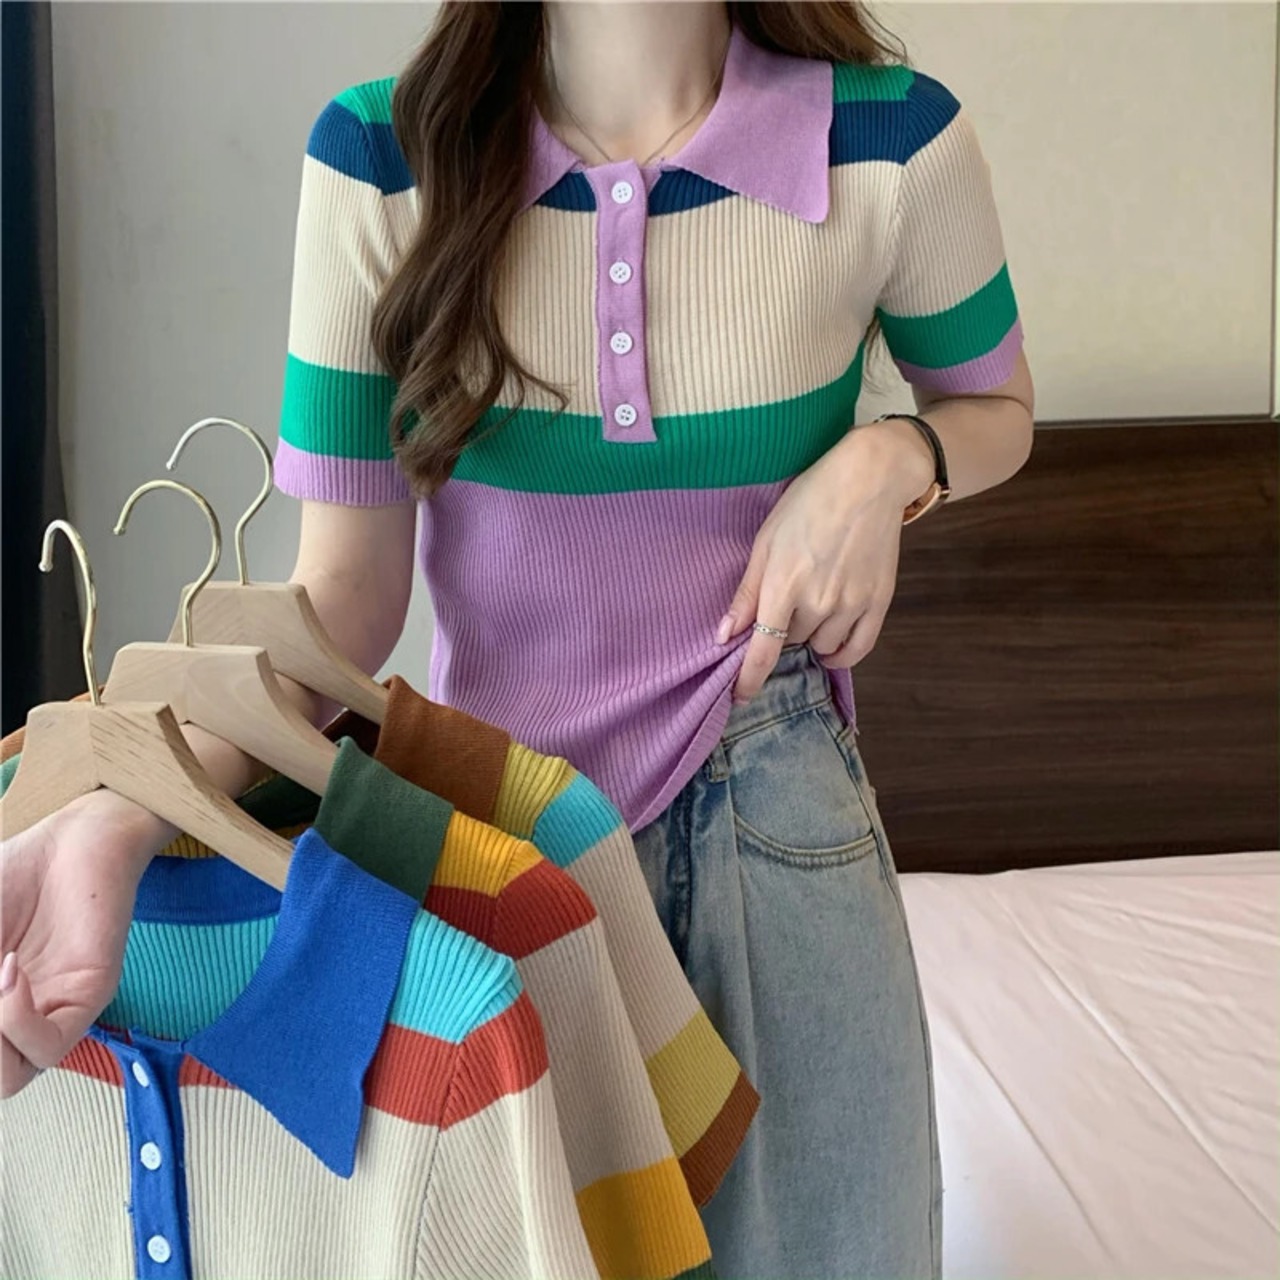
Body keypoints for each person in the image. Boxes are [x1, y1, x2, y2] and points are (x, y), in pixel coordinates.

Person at [1, 2, 1035, 1275]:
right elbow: (341, 603)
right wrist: (124, 815)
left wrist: (891, 458)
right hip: (497, 845)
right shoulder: (379, 160)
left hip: (773, 818)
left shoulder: (890, 142)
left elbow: (994, 406)